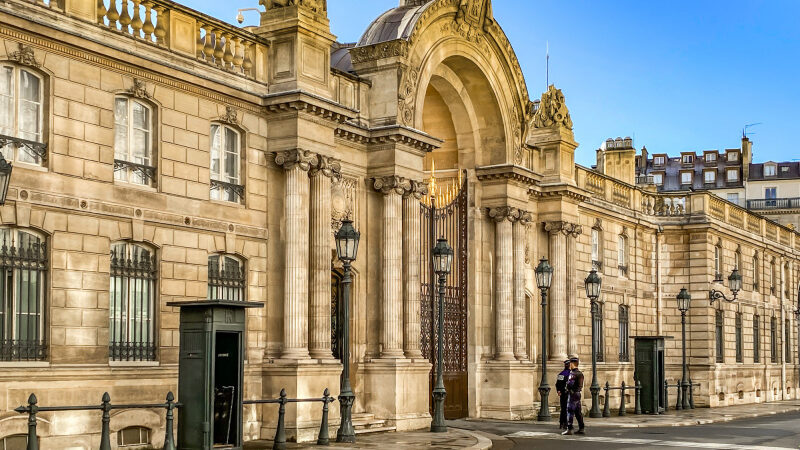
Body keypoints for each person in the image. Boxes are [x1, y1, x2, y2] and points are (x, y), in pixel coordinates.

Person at [562, 356, 585, 435]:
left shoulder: (573, 373)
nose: (569, 365)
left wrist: (567, 387)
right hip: (578, 393)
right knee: (578, 412)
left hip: (572, 394)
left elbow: (569, 384)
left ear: (572, 364)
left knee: (570, 411)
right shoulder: (580, 373)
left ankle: (570, 428)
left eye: (570, 363)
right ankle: (581, 428)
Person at [555, 359, 571, 430]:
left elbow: (558, 384)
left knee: (563, 408)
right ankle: (566, 423)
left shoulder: (561, 374)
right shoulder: (572, 374)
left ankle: (562, 423)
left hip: (563, 393)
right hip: (569, 393)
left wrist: (558, 391)